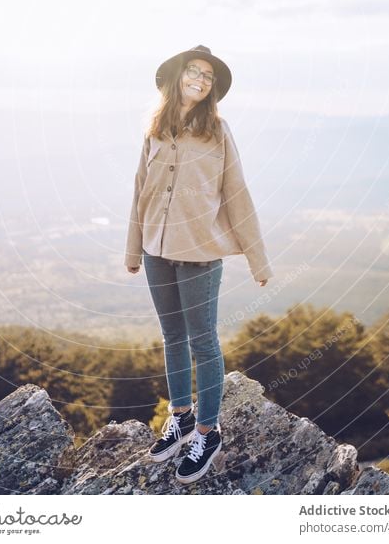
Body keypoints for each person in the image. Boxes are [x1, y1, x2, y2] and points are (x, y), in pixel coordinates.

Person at [124, 44, 274, 485]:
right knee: (172, 337)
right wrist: (134, 250)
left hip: (200, 253)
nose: (200, 79)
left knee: (202, 342)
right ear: (177, 76)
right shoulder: (154, 129)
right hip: (155, 251)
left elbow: (237, 195)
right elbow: (139, 190)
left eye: (208, 76)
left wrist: (257, 260)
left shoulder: (218, 132)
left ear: (211, 89)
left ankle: (207, 432)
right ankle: (181, 418)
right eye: (194, 71)